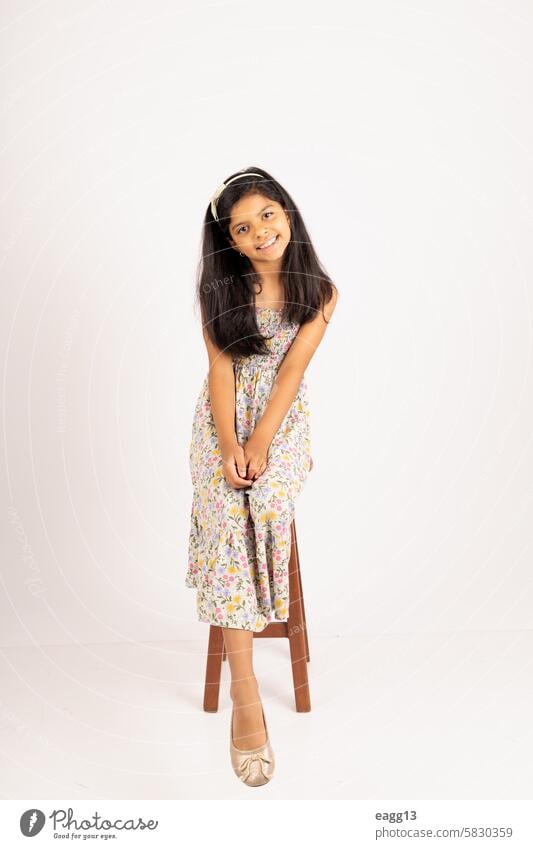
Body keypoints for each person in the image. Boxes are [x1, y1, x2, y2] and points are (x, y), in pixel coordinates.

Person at [185, 166, 338, 786]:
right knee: (227, 506)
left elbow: (292, 374)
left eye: (267, 217)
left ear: (288, 213)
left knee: (266, 502)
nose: (259, 232)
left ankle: (247, 634)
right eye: (243, 228)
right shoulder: (222, 290)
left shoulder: (319, 291)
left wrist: (260, 442)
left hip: (280, 417)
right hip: (223, 417)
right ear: (230, 240)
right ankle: (246, 699)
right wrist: (228, 444)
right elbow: (222, 371)